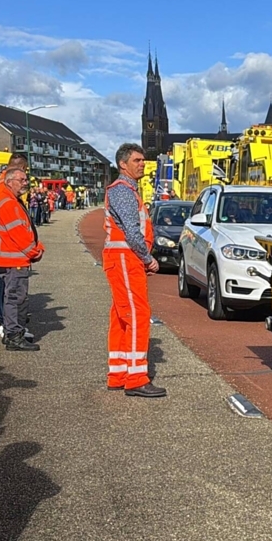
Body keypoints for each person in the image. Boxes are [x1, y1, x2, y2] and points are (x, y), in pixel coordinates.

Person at [104, 143, 165, 398]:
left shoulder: (125, 190)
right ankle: (137, 377)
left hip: (122, 259)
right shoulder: (123, 191)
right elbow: (132, 231)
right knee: (138, 314)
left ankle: (118, 372)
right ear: (123, 164)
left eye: (144, 160)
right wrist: (147, 258)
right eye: (137, 160)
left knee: (121, 315)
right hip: (126, 259)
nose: (143, 163)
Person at [0, 167, 45, 351]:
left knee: (13, 297)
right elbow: (19, 234)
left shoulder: (9, 200)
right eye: (21, 180)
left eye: (25, 180)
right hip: (14, 260)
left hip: (11, 259)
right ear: (10, 181)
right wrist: (35, 251)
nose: (25, 183)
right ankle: (14, 335)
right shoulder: (8, 203)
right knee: (16, 299)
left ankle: (12, 333)